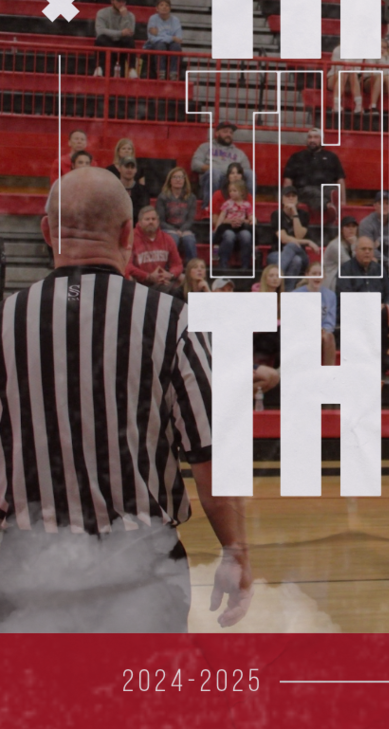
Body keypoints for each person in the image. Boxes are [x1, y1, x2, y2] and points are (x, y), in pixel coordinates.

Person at [0, 167, 251, 631]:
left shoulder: (6, 321)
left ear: (47, 232)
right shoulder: (174, 321)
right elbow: (212, 458)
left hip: (26, 569)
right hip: (141, 570)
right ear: (126, 234)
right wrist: (235, 552)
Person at [282, 128, 345, 214]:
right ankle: (329, 206)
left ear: (322, 140)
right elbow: (288, 180)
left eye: (316, 137)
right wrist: (286, 199)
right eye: (310, 137)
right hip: (305, 190)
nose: (312, 140)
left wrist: (343, 201)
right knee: (311, 192)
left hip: (326, 189)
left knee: (331, 191)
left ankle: (330, 206)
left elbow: (340, 180)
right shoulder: (296, 157)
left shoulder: (332, 157)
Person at [191, 120, 254, 205]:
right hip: (213, 179)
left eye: (231, 133)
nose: (228, 134)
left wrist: (234, 175)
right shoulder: (205, 147)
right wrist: (211, 168)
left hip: (232, 182)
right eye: (225, 132)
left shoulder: (239, 153)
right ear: (217, 133)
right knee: (214, 173)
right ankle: (209, 207)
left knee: (250, 174)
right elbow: (195, 164)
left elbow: (246, 169)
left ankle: (247, 206)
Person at [126, 206, 184, 292]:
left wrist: (170, 274)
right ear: (139, 222)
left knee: (184, 279)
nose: (151, 222)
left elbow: (177, 264)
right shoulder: (131, 238)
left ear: (158, 222)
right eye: (147, 219)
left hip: (163, 281)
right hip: (139, 282)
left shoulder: (167, 239)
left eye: (153, 219)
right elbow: (127, 266)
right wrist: (148, 276)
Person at [294, 262, 337, 367]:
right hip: (301, 333)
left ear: (324, 276)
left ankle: (328, 372)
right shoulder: (295, 295)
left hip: (322, 333)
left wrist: (323, 330)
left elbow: (330, 321)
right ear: (307, 275)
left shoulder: (330, 295)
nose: (317, 277)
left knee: (329, 336)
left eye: (320, 274)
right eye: (314, 274)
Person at [267, 184, 313, 283]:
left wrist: (295, 213)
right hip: (277, 253)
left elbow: (299, 235)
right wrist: (308, 242)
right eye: (287, 196)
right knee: (295, 260)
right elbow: (284, 239)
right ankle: (288, 290)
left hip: (300, 253)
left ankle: (275, 278)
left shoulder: (304, 215)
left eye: (293, 196)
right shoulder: (276, 215)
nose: (291, 198)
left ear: (297, 199)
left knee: (293, 247)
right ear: (282, 200)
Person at [155, 165, 198, 263]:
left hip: (185, 229)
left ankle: (193, 267)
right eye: (175, 177)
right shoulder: (163, 197)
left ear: (184, 180)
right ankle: (170, 267)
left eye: (181, 177)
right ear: (170, 180)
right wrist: (174, 231)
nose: (178, 180)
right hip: (167, 228)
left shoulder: (191, 197)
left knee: (189, 239)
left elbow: (190, 219)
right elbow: (160, 220)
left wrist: (181, 230)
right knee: (173, 238)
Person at [213, 181, 254, 271]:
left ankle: (245, 265)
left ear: (242, 192)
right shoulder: (227, 203)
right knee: (229, 235)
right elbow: (222, 217)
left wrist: (245, 221)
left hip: (241, 226)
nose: (231, 193)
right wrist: (217, 228)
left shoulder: (247, 204)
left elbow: (250, 217)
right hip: (228, 226)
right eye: (230, 191)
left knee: (246, 235)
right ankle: (223, 263)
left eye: (234, 191)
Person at [94, 0, 136, 74]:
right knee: (101, 39)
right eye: (118, 1)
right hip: (108, 42)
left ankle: (132, 69)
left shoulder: (130, 16)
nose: (121, 4)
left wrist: (125, 17)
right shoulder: (102, 13)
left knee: (129, 40)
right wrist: (120, 33)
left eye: (123, 1)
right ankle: (99, 68)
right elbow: (100, 31)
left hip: (122, 43)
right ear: (112, 1)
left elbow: (129, 32)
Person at [143, 0, 184, 79]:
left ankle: (173, 74)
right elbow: (152, 39)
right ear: (157, 8)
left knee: (176, 47)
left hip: (171, 45)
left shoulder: (175, 20)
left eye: (167, 5)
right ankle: (160, 73)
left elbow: (179, 38)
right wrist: (171, 38)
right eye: (161, 5)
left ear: (170, 8)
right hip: (155, 45)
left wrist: (159, 34)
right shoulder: (153, 19)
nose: (164, 7)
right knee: (160, 45)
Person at [115, 156, 150, 225]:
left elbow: (143, 212)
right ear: (119, 169)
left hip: (137, 226)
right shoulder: (113, 189)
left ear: (136, 170)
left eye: (132, 167)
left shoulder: (143, 190)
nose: (129, 170)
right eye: (127, 167)